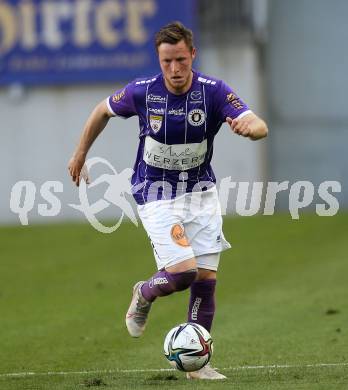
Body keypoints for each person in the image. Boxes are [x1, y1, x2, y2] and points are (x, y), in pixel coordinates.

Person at [68, 21, 268, 380]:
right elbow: (101, 110)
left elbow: (257, 123)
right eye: (166, 62)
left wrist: (249, 129)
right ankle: (144, 293)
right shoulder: (144, 91)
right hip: (155, 193)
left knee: (205, 279)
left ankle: (198, 366)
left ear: (192, 54)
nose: (174, 69)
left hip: (201, 193)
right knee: (183, 273)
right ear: (158, 60)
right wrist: (81, 153)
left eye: (180, 60)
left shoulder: (213, 91)